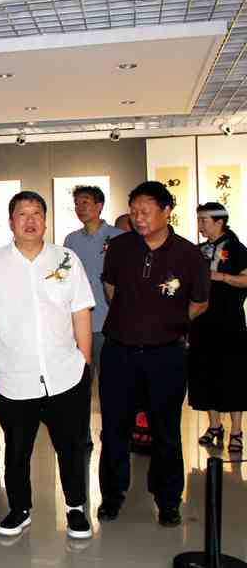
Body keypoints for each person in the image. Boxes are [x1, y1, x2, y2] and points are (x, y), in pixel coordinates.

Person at [0, 191, 95, 539]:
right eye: (22, 214)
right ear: (11, 222)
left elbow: (81, 312)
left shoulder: (66, 259)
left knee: (71, 448)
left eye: (36, 213)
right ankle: (19, 509)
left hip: (65, 374)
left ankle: (75, 507)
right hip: (13, 377)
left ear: (45, 219)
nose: (30, 220)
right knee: (16, 450)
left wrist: (84, 361)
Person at [98, 181, 209, 527]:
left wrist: (167, 323)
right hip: (120, 353)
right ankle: (112, 496)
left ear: (166, 211)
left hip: (166, 356)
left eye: (145, 211)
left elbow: (200, 302)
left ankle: (168, 500)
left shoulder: (189, 255)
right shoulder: (119, 248)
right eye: (133, 211)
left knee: (166, 431)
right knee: (113, 429)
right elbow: (110, 289)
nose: (138, 218)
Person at [63, 186, 124, 447]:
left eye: (86, 202)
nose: (80, 207)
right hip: (79, 325)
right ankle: (82, 434)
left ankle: (112, 433)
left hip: (110, 323)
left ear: (99, 206)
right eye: (77, 203)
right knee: (80, 385)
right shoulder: (71, 240)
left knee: (111, 386)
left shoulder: (118, 237)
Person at [190, 202, 247, 453]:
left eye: (204, 220)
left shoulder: (237, 249)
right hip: (202, 322)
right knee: (205, 373)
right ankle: (214, 426)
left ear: (220, 221)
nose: (200, 225)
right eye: (199, 220)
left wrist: (221, 277)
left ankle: (236, 430)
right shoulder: (197, 251)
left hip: (230, 321)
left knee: (232, 375)